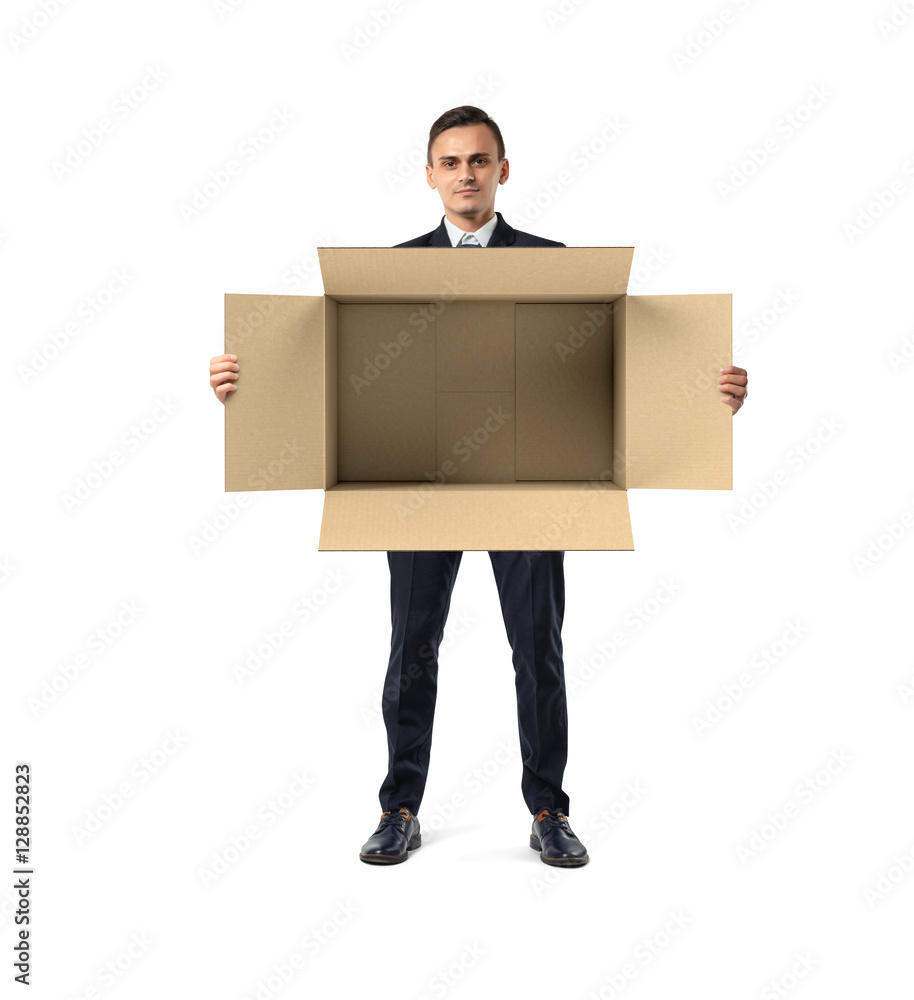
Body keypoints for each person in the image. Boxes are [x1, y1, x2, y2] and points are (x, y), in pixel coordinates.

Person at [210, 106, 749, 868]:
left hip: (532, 478)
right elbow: (331, 374)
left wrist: (708, 390)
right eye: (452, 162)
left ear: (503, 169)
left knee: (539, 647)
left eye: (480, 160)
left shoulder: (555, 264)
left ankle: (548, 810)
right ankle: (399, 807)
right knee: (412, 647)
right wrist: (244, 383)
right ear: (430, 175)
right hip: (417, 479)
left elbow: (621, 367)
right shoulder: (388, 275)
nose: (466, 173)